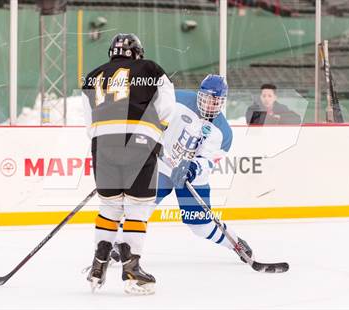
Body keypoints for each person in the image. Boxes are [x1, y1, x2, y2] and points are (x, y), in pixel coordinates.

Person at [112, 74, 253, 266]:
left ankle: (235, 243)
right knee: (142, 206)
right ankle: (118, 245)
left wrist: (193, 168)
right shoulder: (177, 101)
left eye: (217, 101)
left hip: (191, 177)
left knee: (199, 224)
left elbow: (208, 161)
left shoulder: (223, 133)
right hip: (162, 167)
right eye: (207, 99)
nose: (211, 105)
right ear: (199, 95)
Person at [82, 33, 176, 295]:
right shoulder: (150, 69)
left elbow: (89, 121)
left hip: (103, 146)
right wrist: (156, 136)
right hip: (139, 143)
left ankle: (98, 264)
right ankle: (132, 270)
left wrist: (106, 145)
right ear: (137, 53)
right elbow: (167, 107)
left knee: (110, 205)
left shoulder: (92, 75)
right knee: (138, 207)